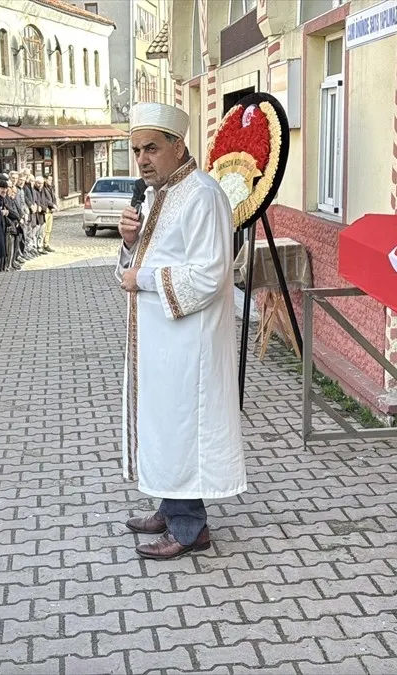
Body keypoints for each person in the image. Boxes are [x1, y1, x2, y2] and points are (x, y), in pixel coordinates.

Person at [115, 103, 246, 560]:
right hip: (159, 341)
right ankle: (172, 509)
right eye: (136, 150)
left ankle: (191, 529)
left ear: (178, 144)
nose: (143, 159)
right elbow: (141, 264)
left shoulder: (202, 195)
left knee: (182, 426)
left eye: (151, 148)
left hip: (189, 344)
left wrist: (144, 278)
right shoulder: (157, 195)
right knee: (163, 427)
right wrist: (129, 245)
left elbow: (210, 273)